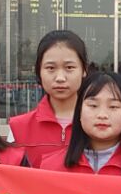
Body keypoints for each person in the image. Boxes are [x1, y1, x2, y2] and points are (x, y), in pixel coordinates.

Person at [38, 70, 121, 177]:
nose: (102, 115)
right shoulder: (49, 169)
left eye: (113, 106)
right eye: (93, 105)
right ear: (79, 112)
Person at [9, 29, 88, 166]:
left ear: (84, 70)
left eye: (69, 67)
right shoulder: (18, 128)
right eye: (51, 68)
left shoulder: (99, 125)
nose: (60, 78)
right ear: (39, 71)